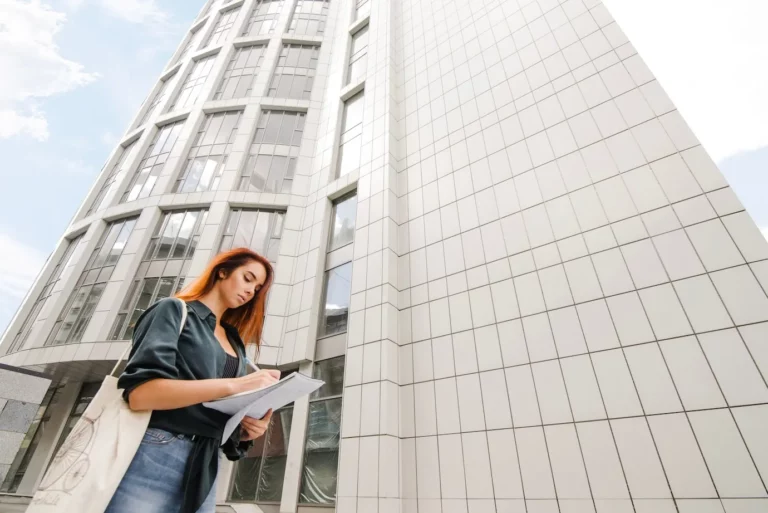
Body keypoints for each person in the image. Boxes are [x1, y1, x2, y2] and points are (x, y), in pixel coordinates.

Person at [105, 248, 282, 513]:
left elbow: (215, 404)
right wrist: (236, 385)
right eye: (247, 278)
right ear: (222, 271)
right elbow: (141, 394)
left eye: (257, 289)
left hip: (206, 462)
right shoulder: (174, 310)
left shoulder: (235, 342)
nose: (250, 291)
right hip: (156, 451)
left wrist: (245, 429)